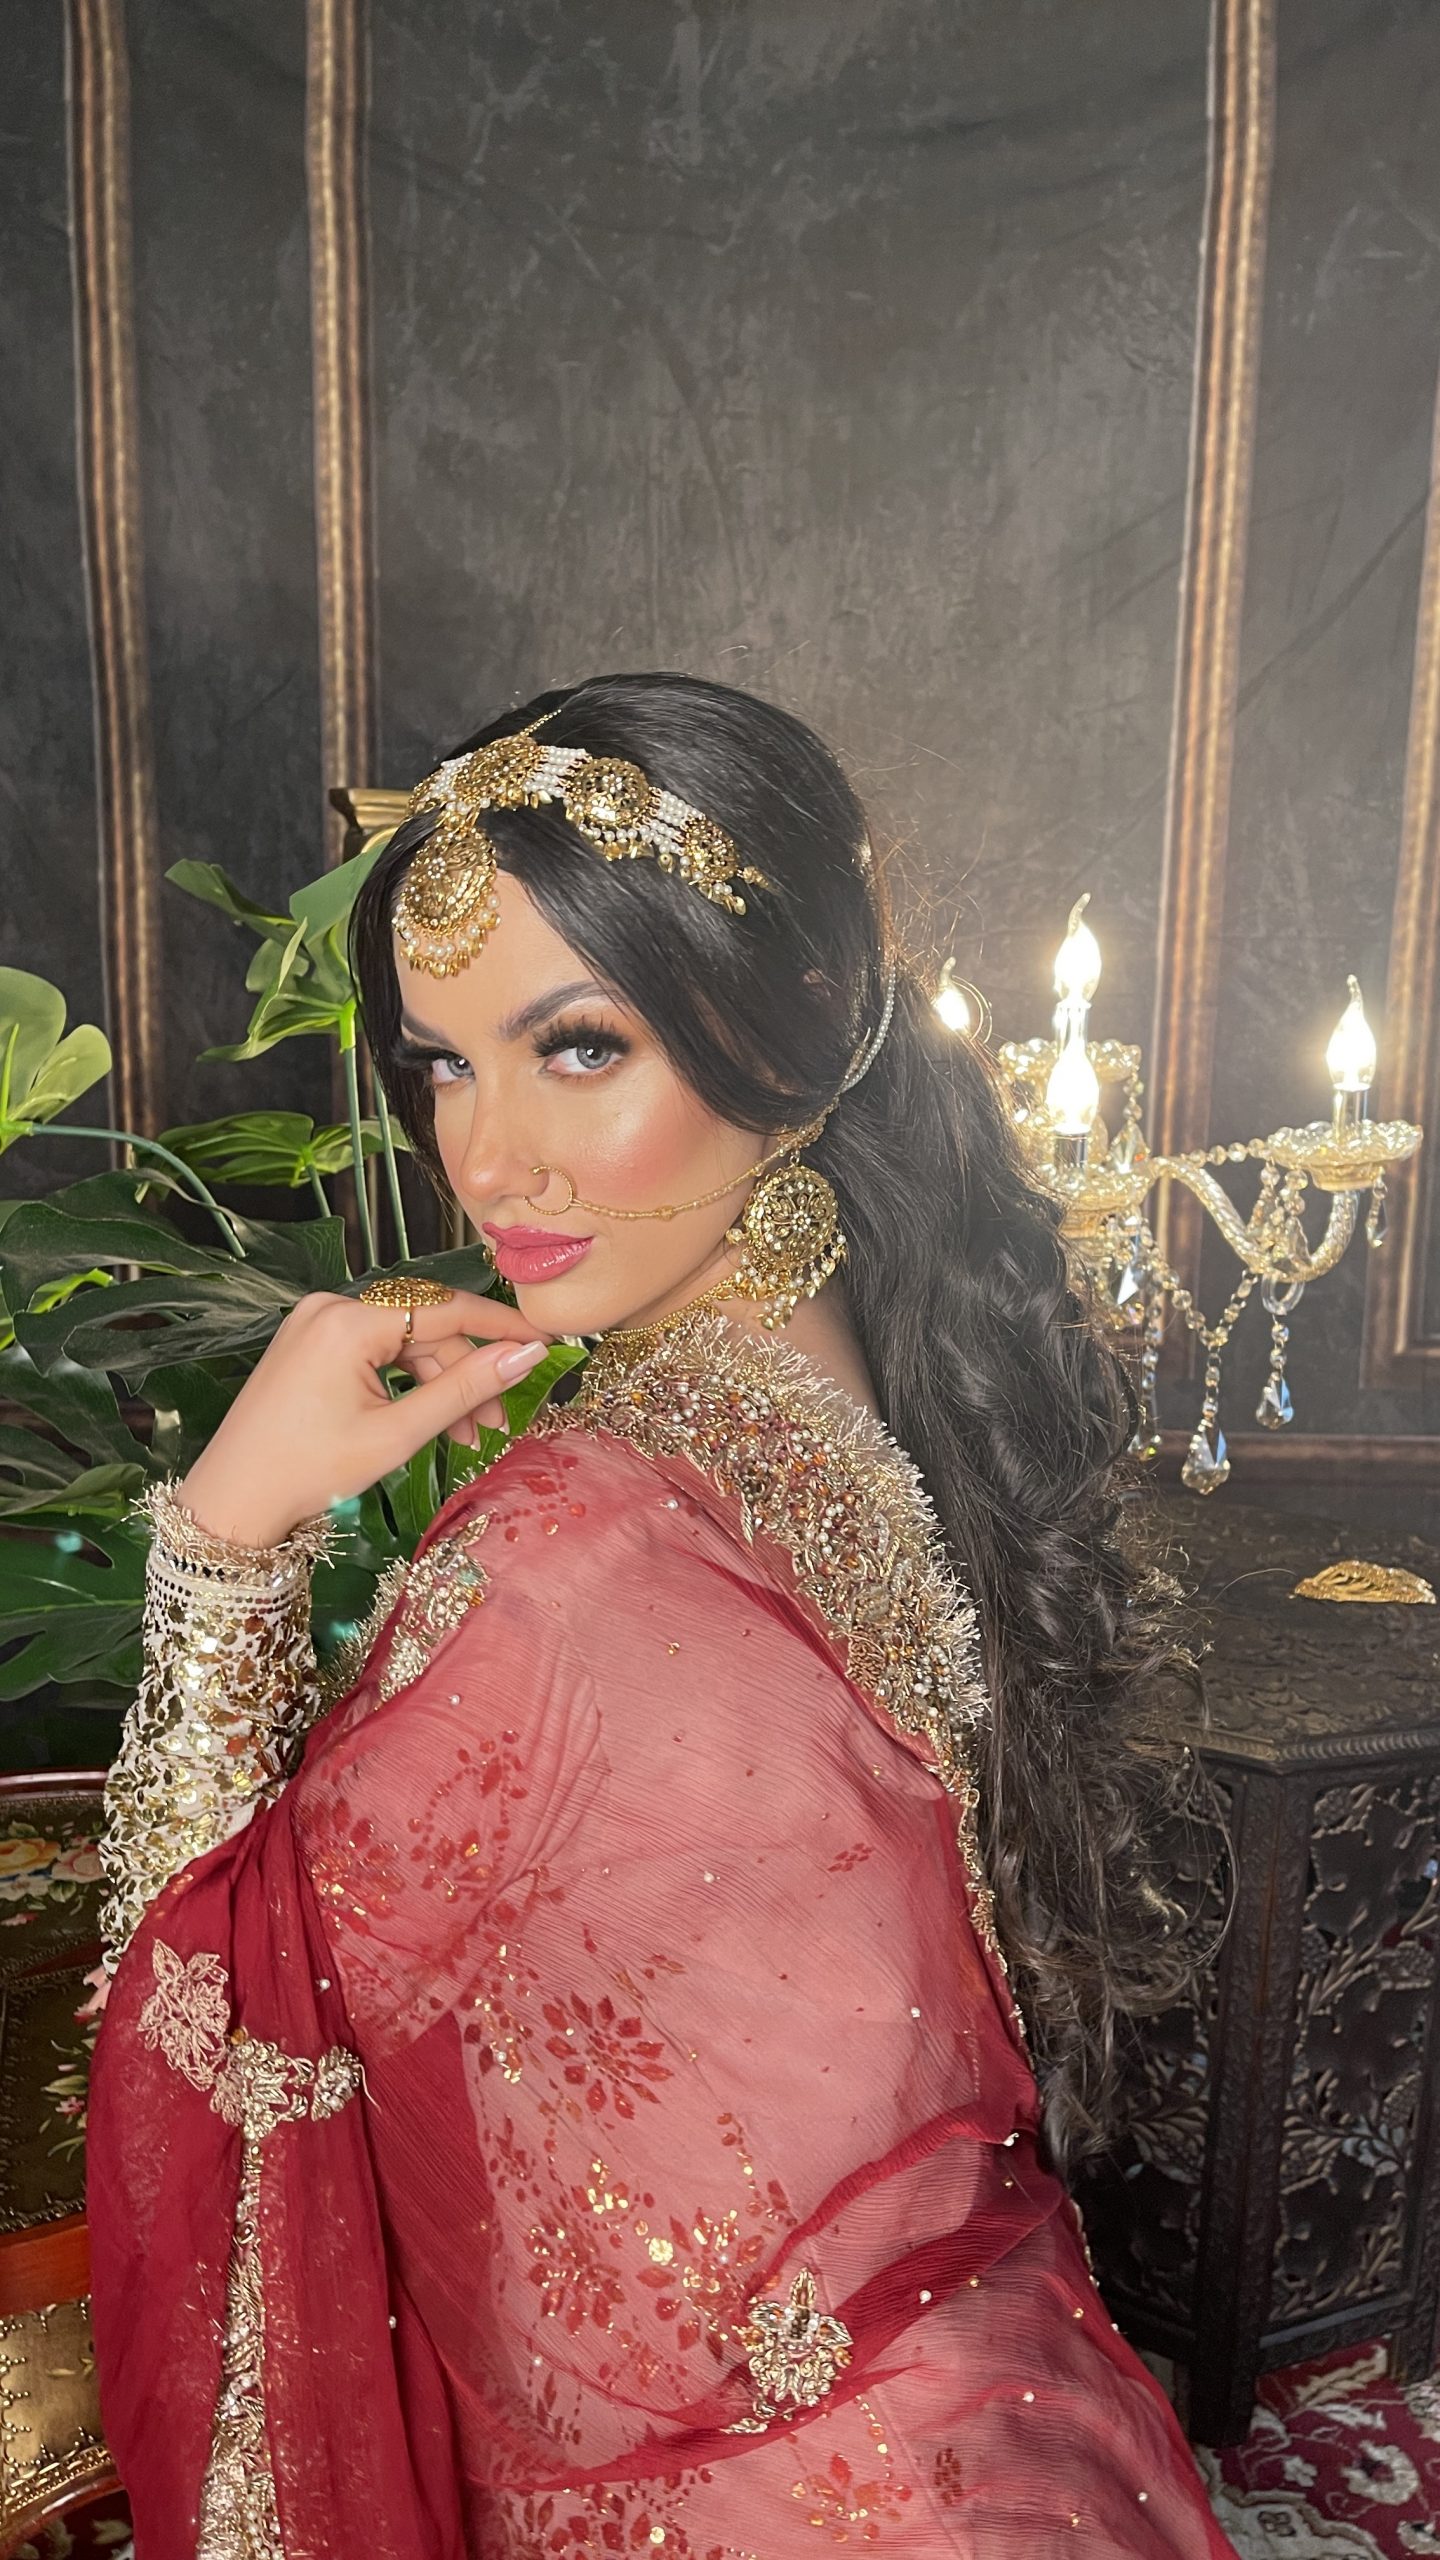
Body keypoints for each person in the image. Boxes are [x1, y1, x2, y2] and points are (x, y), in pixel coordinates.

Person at [87, 672, 1238, 2558]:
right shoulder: (869, 1369)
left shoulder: (571, 1553)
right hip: (1005, 2436)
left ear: (796, 1031)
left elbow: (210, 2024)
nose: (489, 1160)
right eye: (445, 1064)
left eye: (578, 1048)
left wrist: (226, 1541)